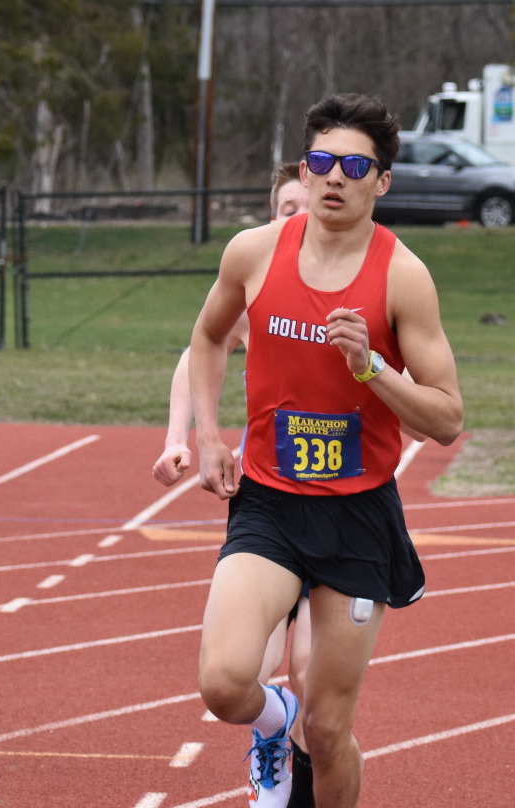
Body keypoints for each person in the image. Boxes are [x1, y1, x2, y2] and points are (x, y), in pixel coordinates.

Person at [188, 93, 463, 808]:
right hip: (270, 506)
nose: (334, 177)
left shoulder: (403, 276)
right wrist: (209, 435)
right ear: (303, 174)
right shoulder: (253, 251)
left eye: (353, 165)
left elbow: (447, 419)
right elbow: (209, 337)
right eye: (321, 162)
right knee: (223, 683)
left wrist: (373, 368)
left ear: (383, 182)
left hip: (356, 518)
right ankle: (269, 724)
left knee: (331, 725)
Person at [152, 162, 314, 808]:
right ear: (272, 215)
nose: (297, 216)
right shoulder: (259, 286)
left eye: (306, 205)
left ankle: (299, 783)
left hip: (343, 502)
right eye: (285, 206)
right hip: (267, 499)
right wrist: (180, 437)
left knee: (315, 674)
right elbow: (199, 350)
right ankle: (273, 727)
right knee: (251, 670)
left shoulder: (365, 279)